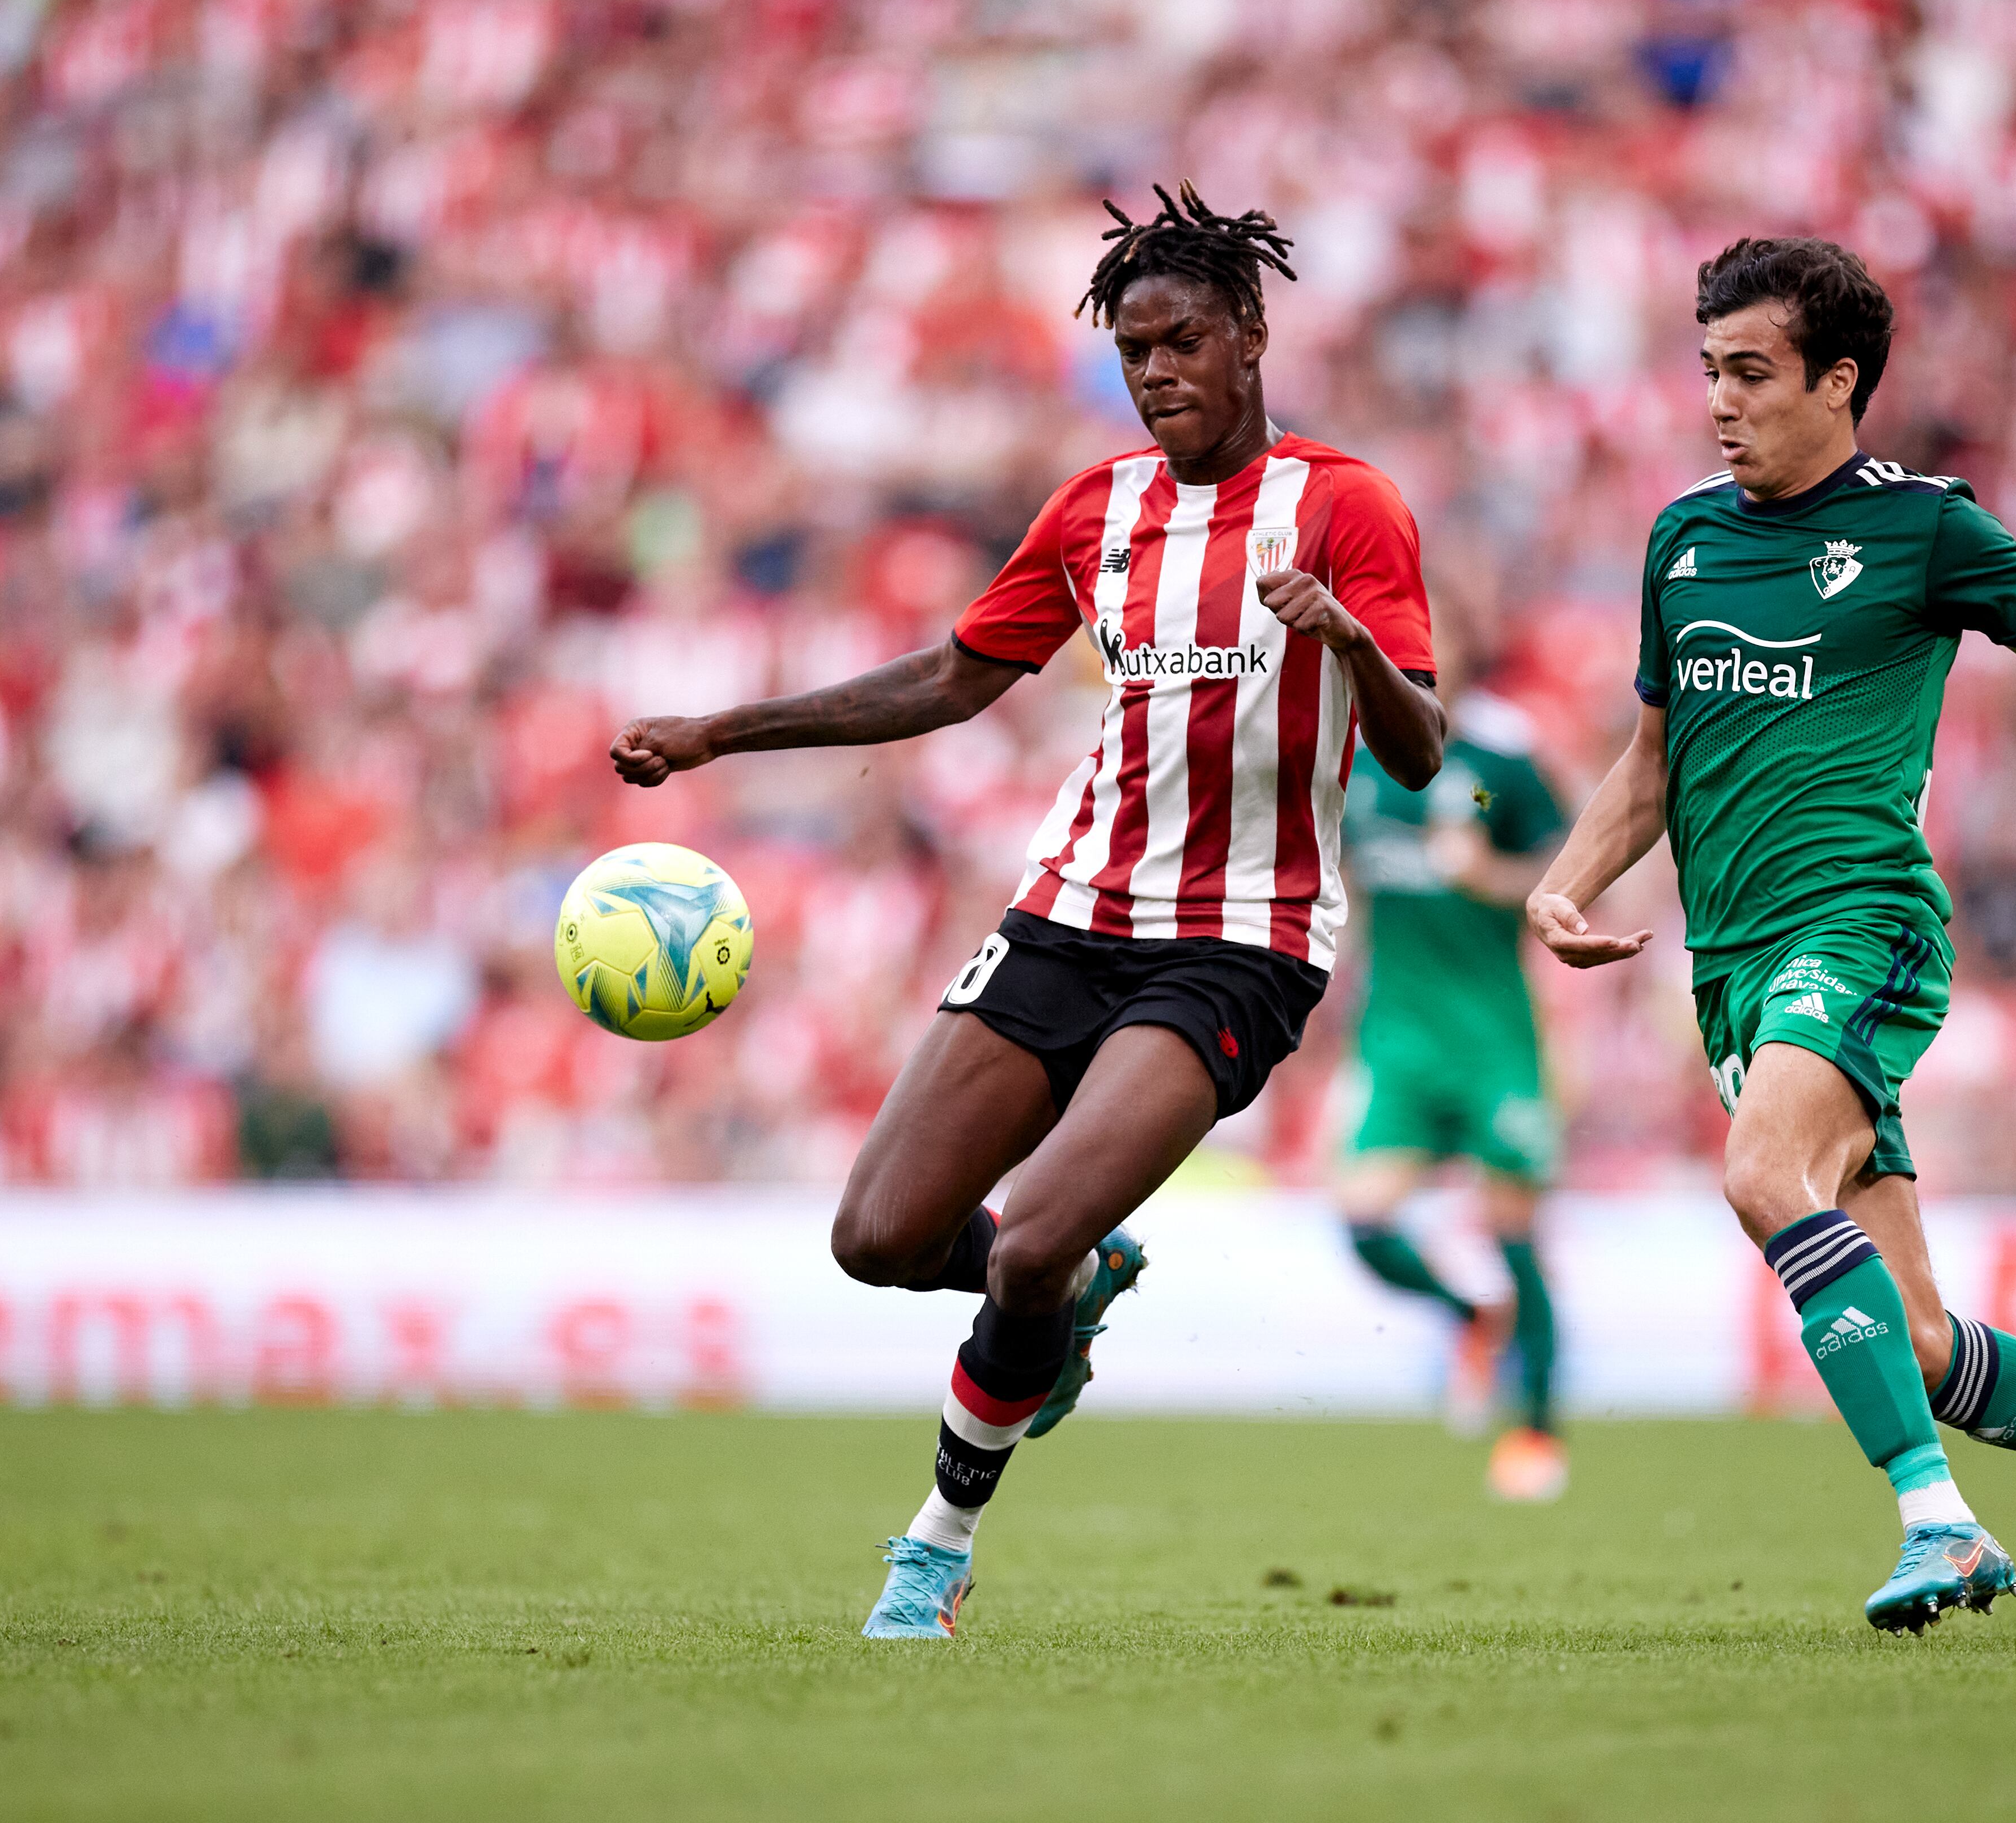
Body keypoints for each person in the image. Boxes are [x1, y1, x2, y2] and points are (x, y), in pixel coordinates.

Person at [609, 184, 1442, 1639]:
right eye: (1134, 350)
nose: (1158, 370)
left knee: (1030, 1239)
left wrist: (1348, 639)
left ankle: (932, 1550)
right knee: (875, 1233)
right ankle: (1062, 1296)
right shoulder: (1096, 509)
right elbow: (950, 677)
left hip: (1241, 937)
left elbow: (1422, 747)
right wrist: (718, 734)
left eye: (1184, 340)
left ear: (1251, 336)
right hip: (1067, 911)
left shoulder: (1345, 505)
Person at [1528, 238, 2016, 1636]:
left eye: (1752, 372)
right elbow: (1650, 764)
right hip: (1733, 967)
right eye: (1709, 369)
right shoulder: (1682, 536)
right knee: (1915, 1336)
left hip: (1863, 922)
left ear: (1839, 382)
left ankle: (1935, 1517)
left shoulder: (1925, 528)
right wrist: (1566, 879)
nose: (1719, 400)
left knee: (1763, 1171)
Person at [1335, 666, 1568, 1500]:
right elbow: (1348, 875)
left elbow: (1563, 863)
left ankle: (1537, 1433)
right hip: (1398, 1035)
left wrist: (1491, 877)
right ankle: (1474, 1315)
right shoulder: (1358, 765)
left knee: (1516, 1231)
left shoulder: (1495, 767)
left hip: (1490, 1036)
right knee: (1362, 1220)